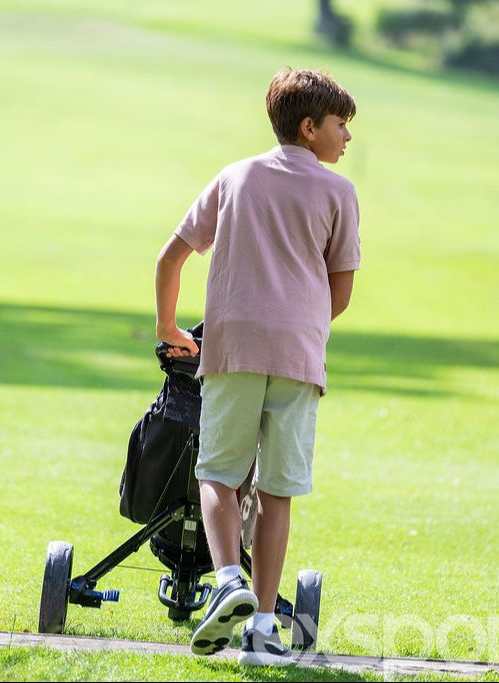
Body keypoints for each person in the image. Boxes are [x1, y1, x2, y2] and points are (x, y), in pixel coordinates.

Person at [153, 67, 360, 667]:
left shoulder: (235, 177)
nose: (347, 136)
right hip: (298, 356)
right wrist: (298, 325)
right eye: (340, 124)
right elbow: (340, 294)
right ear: (309, 127)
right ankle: (264, 630)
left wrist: (169, 329)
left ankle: (226, 581)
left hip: (233, 348)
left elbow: (171, 258)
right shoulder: (339, 193)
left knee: (219, 473)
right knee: (277, 490)